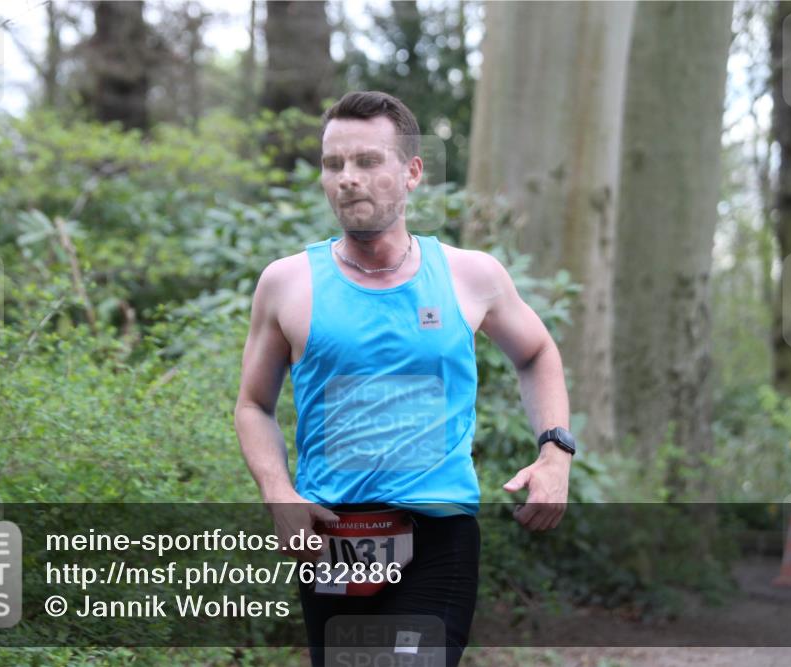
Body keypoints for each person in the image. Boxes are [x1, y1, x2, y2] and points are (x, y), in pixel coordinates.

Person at [234, 91, 574, 666]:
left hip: (438, 537)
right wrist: (278, 494)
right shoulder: (287, 284)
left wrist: (555, 451)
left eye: (367, 161)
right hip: (331, 539)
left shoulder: (470, 275)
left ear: (412, 171)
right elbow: (253, 405)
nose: (347, 179)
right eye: (334, 164)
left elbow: (537, 353)